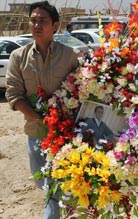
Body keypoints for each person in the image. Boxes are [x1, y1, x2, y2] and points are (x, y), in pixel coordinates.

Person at [5, 1, 80, 218]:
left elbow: (84, 92)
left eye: (43, 21)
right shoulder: (18, 57)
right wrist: (40, 118)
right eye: (33, 20)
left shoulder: (71, 55)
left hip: (66, 135)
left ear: (55, 25)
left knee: (52, 185)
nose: (37, 25)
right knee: (41, 180)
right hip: (36, 133)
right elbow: (14, 95)